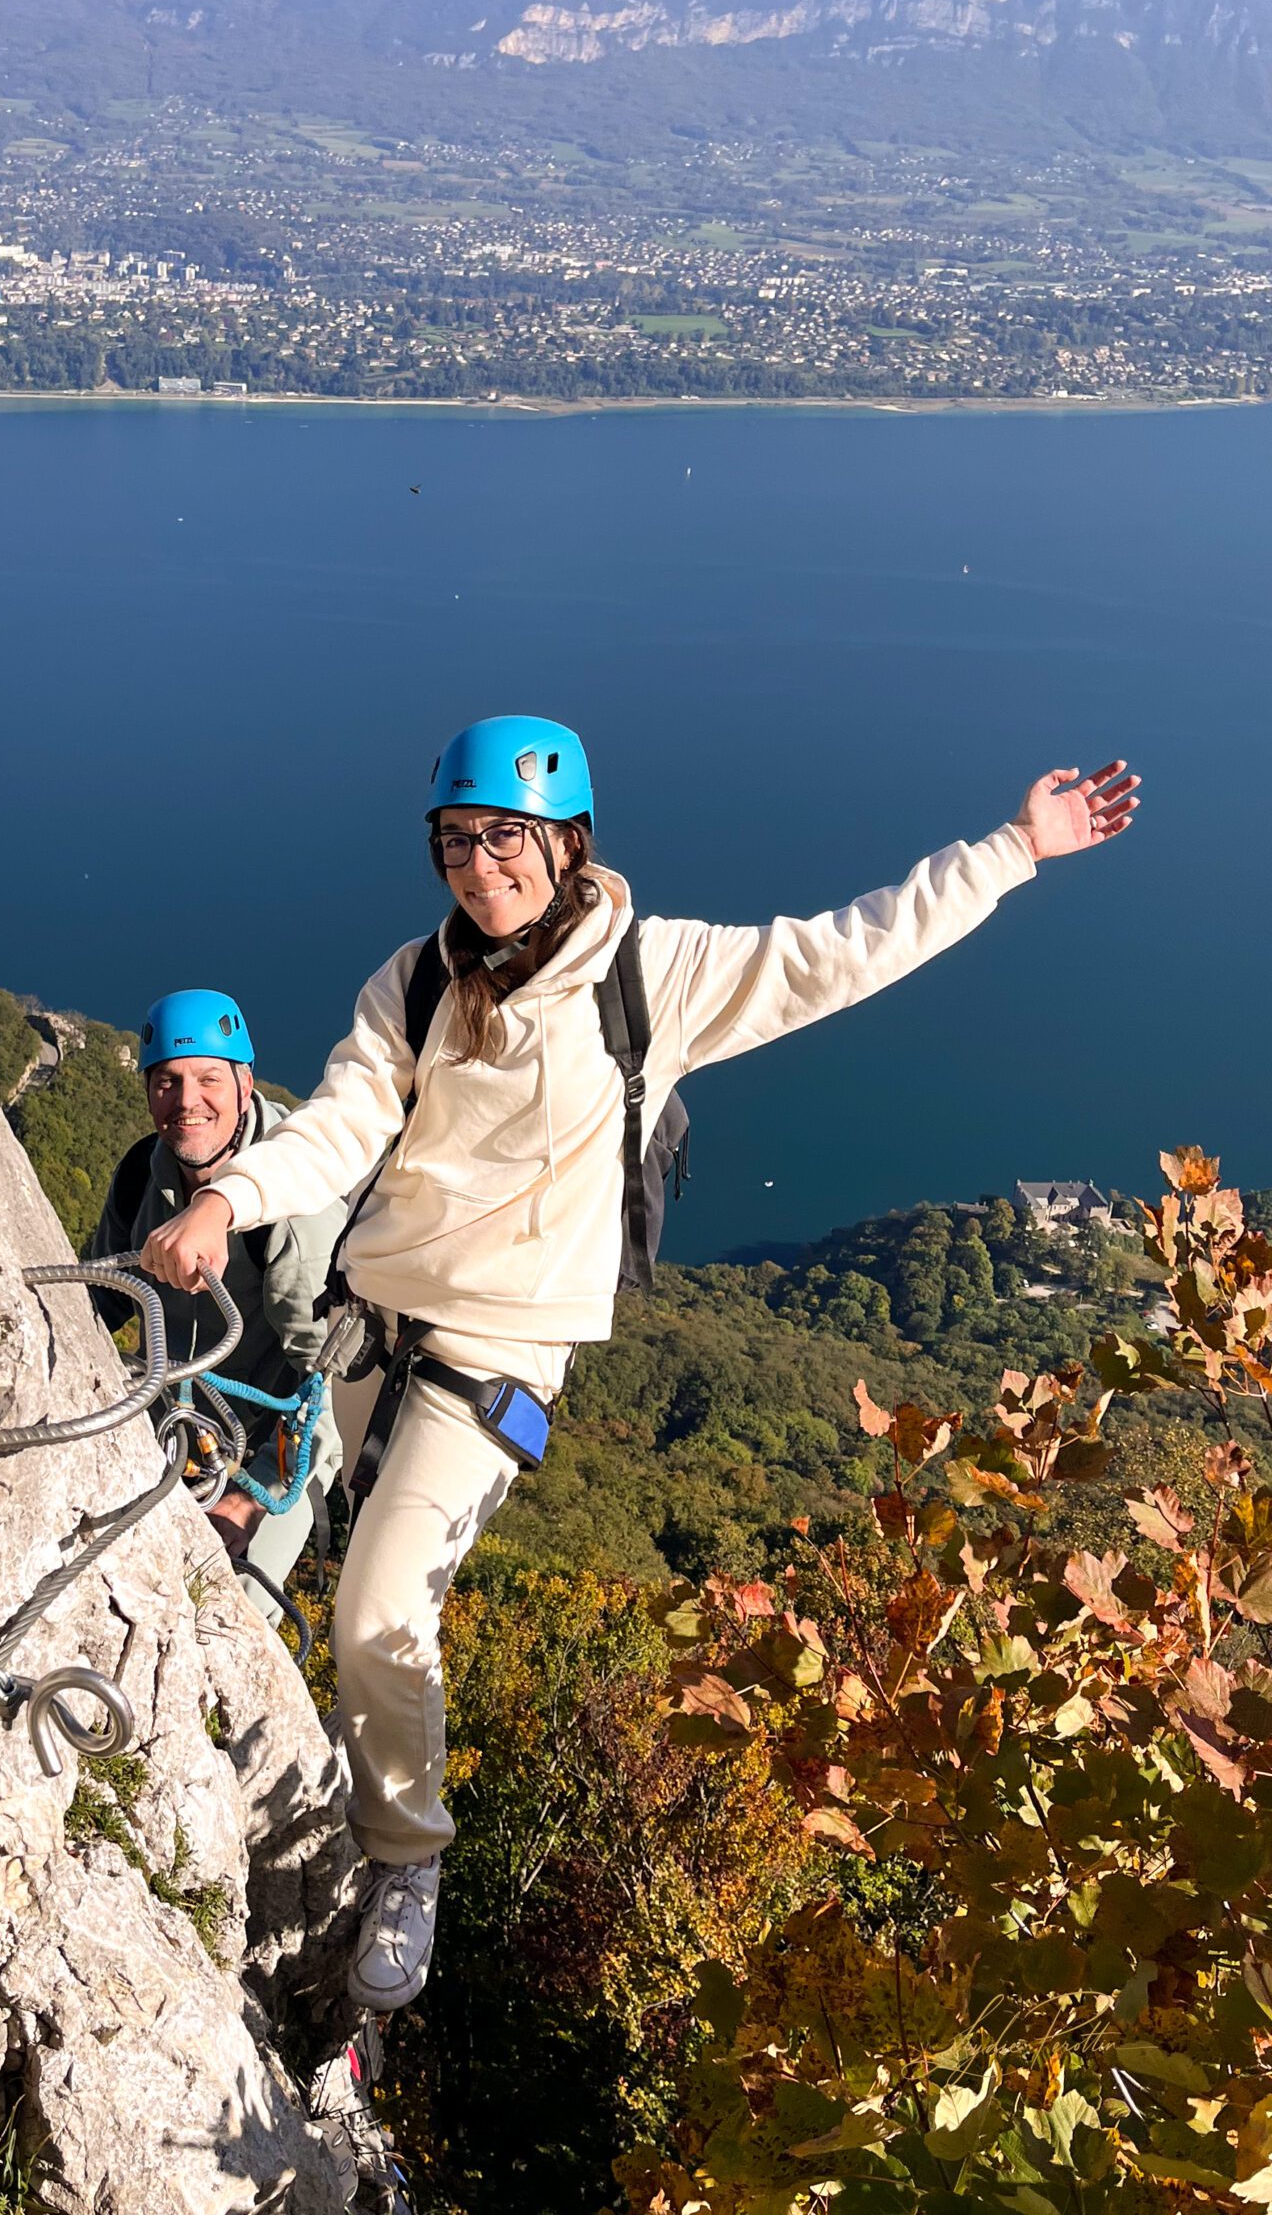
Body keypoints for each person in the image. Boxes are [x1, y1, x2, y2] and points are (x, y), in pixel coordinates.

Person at [140, 719, 1140, 2014]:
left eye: (506, 836)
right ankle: (352, 1754)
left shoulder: (652, 975)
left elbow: (843, 952)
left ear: (568, 842)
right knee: (344, 1556)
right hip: (370, 1328)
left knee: (380, 1607)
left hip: (496, 1356)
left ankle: (406, 1859)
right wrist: (233, 1195)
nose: (480, 865)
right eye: (456, 840)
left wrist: (1013, 849)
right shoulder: (418, 982)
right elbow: (342, 1124)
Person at [88, 987, 344, 1623]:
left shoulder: (294, 1210)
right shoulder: (141, 1175)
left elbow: (327, 1389)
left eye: (208, 1079)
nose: (186, 1102)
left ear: (244, 1084)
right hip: (173, 1425)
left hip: (273, 1453)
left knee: (229, 1620)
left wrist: (248, 1503)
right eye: (167, 1082)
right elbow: (97, 1300)